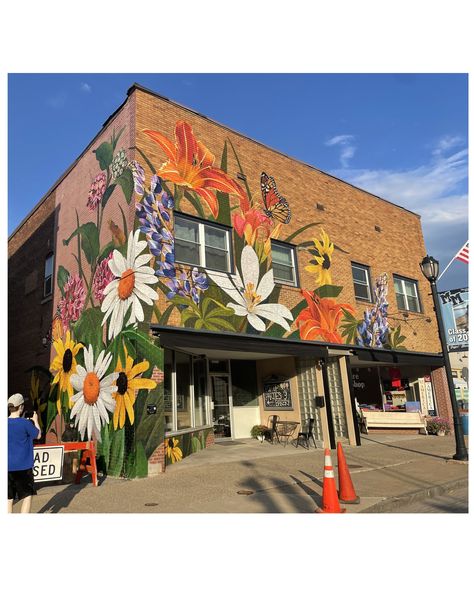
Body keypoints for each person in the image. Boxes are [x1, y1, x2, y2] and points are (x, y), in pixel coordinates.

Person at [8, 393, 41, 513]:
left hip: (7, 467)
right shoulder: (25, 424)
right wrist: (35, 421)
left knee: (9, 499)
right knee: (27, 497)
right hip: (23, 468)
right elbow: (38, 435)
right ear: (21, 407)